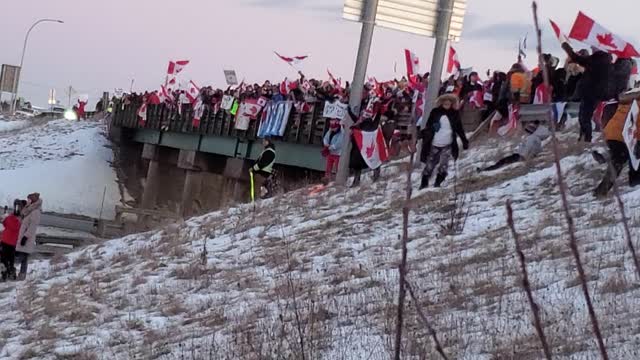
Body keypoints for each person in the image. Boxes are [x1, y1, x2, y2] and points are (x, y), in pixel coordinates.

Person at [562, 43, 613, 142]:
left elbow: (577, 58)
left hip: (591, 93)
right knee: (584, 117)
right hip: (593, 93)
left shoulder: (597, 60)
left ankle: (586, 140)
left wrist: (567, 47)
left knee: (584, 117)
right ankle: (584, 138)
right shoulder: (605, 60)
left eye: (593, 46)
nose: (591, 48)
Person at [419, 94, 469, 189]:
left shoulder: (454, 114)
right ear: (441, 103)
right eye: (445, 102)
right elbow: (428, 126)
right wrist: (422, 134)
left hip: (448, 144)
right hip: (435, 143)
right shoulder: (435, 112)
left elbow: (459, 129)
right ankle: (424, 184)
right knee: (430, 165)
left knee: (444, 165)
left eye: (449, 102)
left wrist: (464, 141)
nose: (447, 103)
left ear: (451, 103)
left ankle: (438, 184)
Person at [592, 100, 640, 197]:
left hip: (612, 131)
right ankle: (602, 191)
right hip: (623, 135)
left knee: (619, 159)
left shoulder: (631, 98)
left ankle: (606, 155)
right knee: (620, 161)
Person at [479, 121, 550, 172]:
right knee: (503, 161)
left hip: (520, 156)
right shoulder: (537, 139)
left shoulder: (531, 138)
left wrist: (523, 157)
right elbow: (538, 150)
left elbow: (528, 148)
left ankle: (486, 170)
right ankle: (487, 169)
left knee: (502, 162)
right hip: (521, 155)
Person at [15, 193, 42, 280]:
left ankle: (19, 274)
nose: (28, 201)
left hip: (26, 239)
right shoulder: (29, 211)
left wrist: (25, 237)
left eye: (29, 199)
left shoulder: (35, 212)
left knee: (21, 258)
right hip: (23, 237)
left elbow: (32, 227)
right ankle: (21, 275)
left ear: (33, 200)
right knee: (23, 258)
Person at [1, 200, 23, 281]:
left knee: (7, 259)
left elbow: (12, 226)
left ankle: (7, 273)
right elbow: (5, 224)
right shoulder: (16, 217)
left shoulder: (16, 218)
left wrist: (6, 220)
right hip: (7, 240)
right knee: (6, 259)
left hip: (9, 241)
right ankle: (6, 273)